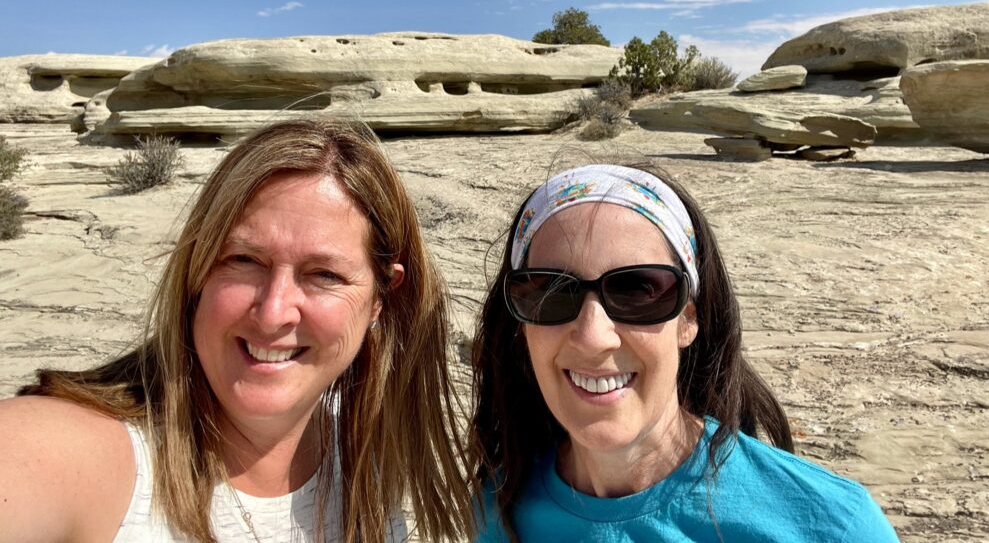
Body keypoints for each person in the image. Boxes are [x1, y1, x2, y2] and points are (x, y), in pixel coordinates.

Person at [0, 119, 471, 543]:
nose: (272, 313)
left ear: (380, 299)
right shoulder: (74, 456)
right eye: (244, 260)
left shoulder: (367, 447)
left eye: (324, 274)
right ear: (197, 271)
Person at [470, 163, 899, 542]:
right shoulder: (498, 509)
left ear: (689, 319)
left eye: (638, 290)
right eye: (550, 292)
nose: (592, 336)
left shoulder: (830, 527)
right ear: (520, 324)